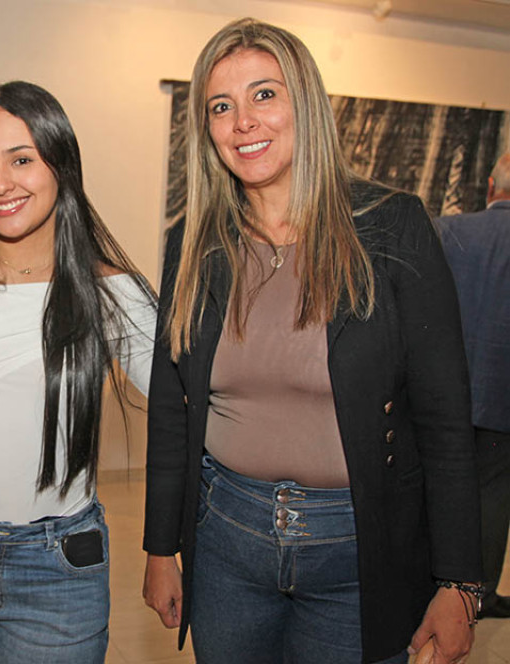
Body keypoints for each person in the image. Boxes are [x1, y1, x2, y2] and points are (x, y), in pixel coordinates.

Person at [142, 18, 482, 664]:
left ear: (305, 103)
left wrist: (458, 583)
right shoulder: (191, 242)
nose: (243, 122)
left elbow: (443, 423)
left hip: (358, 548)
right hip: (224, 545)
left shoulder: (391, 228)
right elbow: (169, 409)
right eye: (221, 106)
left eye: (263, 95)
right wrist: (161, 549)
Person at [0, 81, 157, 664]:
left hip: (58, 567)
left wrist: (168, 549)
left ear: (60, 163)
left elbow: (190, 412)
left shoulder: (112, 292)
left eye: (22, 159)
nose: (1, 184)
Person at [435, 153, 510, 620]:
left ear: (489, 185)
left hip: (444, 397)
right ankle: (476, 597)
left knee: (436, 493)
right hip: (504, 401)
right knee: (493, 499)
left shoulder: (447, 231)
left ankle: (432, 586)